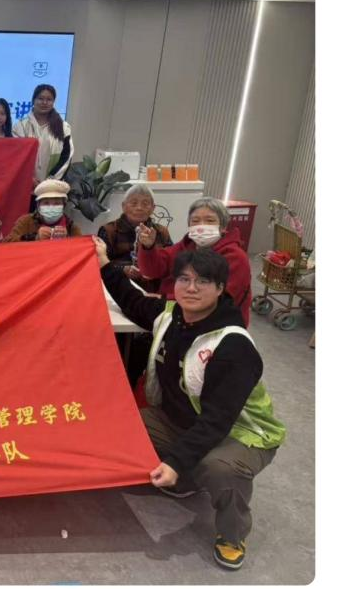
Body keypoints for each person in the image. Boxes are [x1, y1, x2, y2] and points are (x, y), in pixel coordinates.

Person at [94, 239, 284, 571]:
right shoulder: (172, 317)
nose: (191, 288)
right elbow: (132, 301)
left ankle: (232, 534)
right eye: (184, 279)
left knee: (220, 469)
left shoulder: (233, 345)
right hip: (182, 422)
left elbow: (217, 421)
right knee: (122, 424)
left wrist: (176, 462)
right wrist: (104, 263)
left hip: (240, 434)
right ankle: (186, 480)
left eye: (203, 281)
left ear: (221, 288)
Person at [137, 197, 253, 325]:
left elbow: (220, 299)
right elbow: (152, 271)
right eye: (195, 221)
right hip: (176, 315)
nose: (201, 226)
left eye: (210, 221)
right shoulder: (187, 246)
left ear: (223, 226)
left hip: (215, 324)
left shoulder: (236, 257)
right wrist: (148, 247)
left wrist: (165, 299)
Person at [98, 183, 172, 290]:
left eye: (145, 204)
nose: (139, 208)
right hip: (119, 288)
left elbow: (171, 262)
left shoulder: (161, 232)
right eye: (134, 203)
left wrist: (153, 268)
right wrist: (123, 269)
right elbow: (99, 263)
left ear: (153, 208)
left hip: (154, 289)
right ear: (123, 206)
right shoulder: (109, 230)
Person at [12, 84, 74, 181]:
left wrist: (50, 181)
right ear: (33, 100)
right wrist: (30, 179)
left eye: (49, 99)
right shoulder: (20, 127)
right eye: (40, 98)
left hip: (53, 185)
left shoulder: (64, 127)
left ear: (53, 102)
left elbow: (66, 156)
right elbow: (16, 157)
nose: (44, 102)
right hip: (25, 183)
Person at [4, 178, 78, 241]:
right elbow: (7, 243)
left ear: (63, 206)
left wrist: (67, 239)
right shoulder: (26, 221)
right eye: (46, 203)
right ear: (38, 205)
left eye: (57, 203)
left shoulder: (71, 227)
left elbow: (80, 247)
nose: (51, 207)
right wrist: (34, 237)